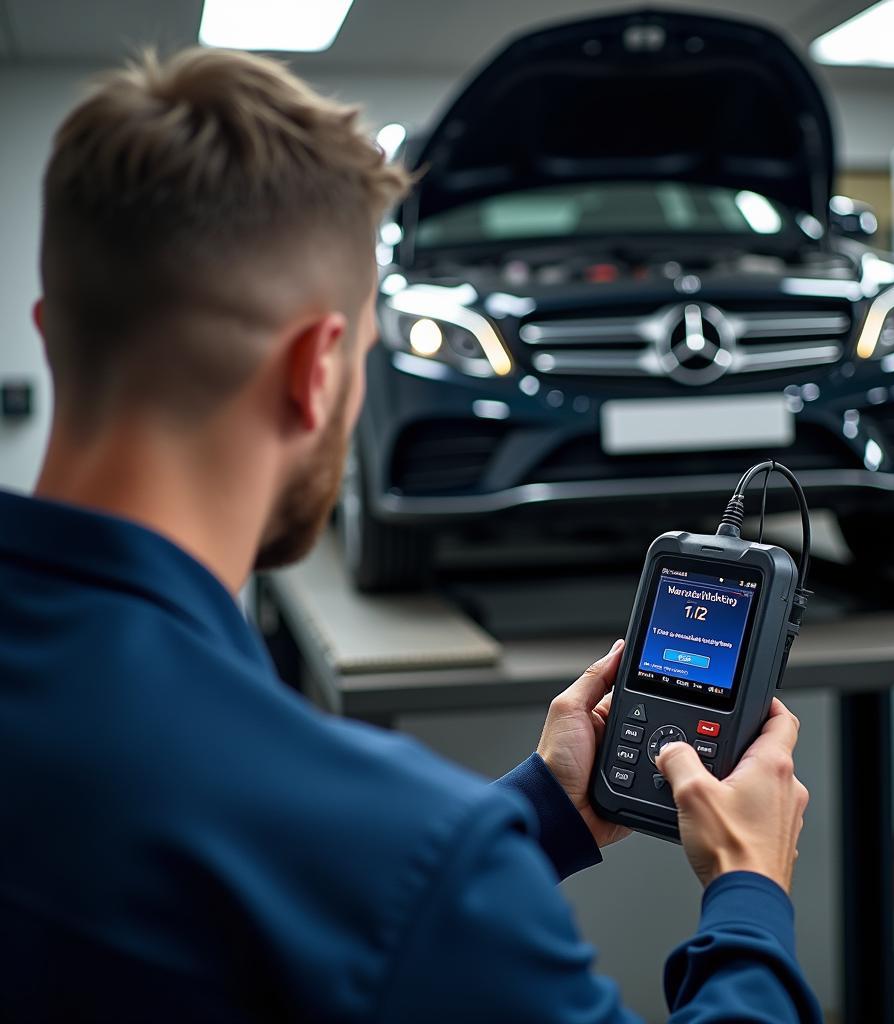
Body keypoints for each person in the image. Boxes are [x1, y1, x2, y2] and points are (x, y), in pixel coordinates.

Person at [0, 48, 821, 1023]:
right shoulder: (402, 857)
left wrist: (542, 811)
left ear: (51, 332)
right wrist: (747, 891)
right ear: (317, 369)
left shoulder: (365, 852)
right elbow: (375, 880)